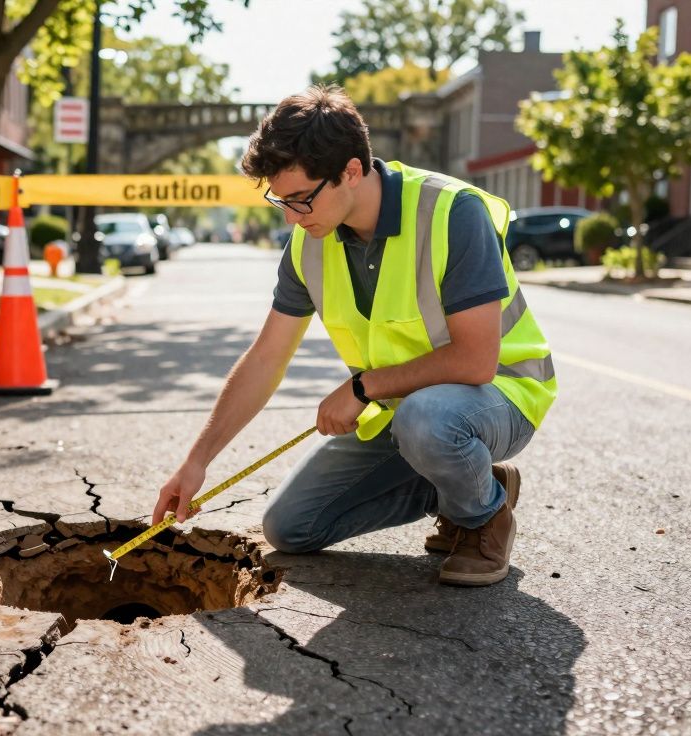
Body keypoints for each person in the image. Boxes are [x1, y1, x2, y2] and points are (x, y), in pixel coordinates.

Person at [151, 86, 557, 586]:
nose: (290, 218)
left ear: (350, 170)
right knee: (291, 527)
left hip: (498, 395)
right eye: (280, 200)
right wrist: (196, 462)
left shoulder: (452, 212)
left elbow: (476, 361)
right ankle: (465, 481)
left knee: (429, 420)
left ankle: (480, 515)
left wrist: (361, 387)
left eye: (300, 200)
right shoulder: (309, 243)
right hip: (403, 413)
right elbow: (266, 359)